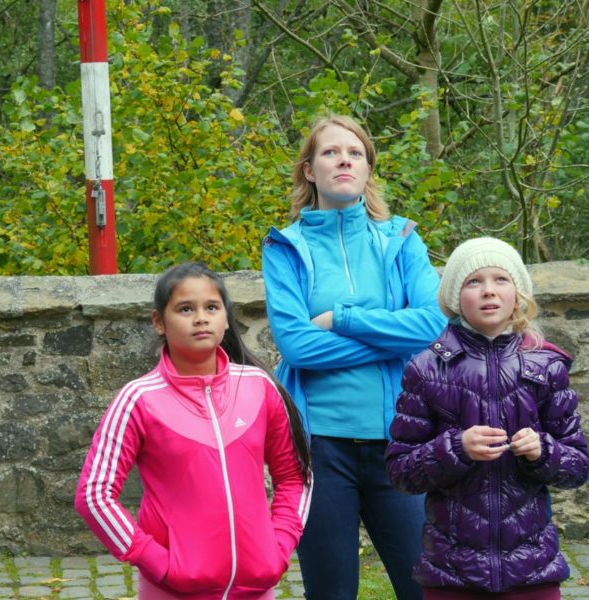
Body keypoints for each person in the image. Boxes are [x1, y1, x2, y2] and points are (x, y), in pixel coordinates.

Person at [261, 114, 447, 600]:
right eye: (330, 152)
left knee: (426, 587)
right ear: (309, 169)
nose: (344, 159)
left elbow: (432, 324)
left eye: (356, 153)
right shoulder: (285, 248)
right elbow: (297, 346)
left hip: (401, 443)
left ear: (368, 170)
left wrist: (341, 318)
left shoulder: (402, 239)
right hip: (320, 448)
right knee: (330, 592)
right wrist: (391, 331)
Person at [75, 262, 312, 599]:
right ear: (159, 322)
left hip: (257, 586)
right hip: (173, 589)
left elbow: (295, 475)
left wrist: (278, 549)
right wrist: (157, 562)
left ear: (226, 318)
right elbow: (94, 495)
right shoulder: (139, 399)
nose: (200, 317)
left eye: (211, 307)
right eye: (185, 309)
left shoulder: (259, 387)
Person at [385, 236, 589, 599]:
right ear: (454, 298)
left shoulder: (546, 365)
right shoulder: (426, 369)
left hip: (533, 570)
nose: (488, 291)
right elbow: (401, 472)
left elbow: (577, 467)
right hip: (452, 572)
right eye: (473, 281)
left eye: (501, 279)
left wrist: (543, 450)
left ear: (518, 293)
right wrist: (455, 448)